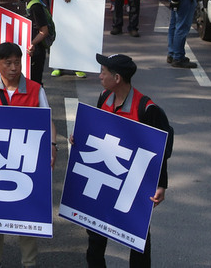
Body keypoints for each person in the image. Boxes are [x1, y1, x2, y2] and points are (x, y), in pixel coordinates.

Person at [0, 42, 57, 268]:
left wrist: (53, 146)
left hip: (25, 160)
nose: (14, 68)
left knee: (26, 211)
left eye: (17, 62)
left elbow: (48, 123)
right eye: (8, 63)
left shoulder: (36, 89)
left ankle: (29, 262)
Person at [86, 53, 172, 268]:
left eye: (103, 72)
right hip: (105, 178)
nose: (99, 76)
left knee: (137, 236)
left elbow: (160, 150)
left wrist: (161, 184)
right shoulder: (104, 98)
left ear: (117, 78)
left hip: (134, 184)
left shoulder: (147, 109)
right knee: (95, 235)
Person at [8, 0, 54, 84]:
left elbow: (44, 31)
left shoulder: (35, 6)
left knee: (35, 84)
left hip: (35, 53)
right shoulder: (21, 2)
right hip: (25, 51)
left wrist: (32, 44)